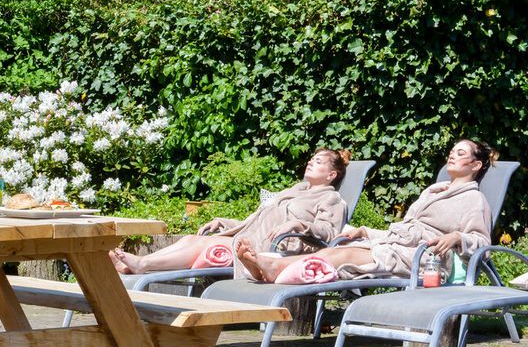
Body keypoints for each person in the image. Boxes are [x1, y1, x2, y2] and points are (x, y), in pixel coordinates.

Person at [236, 139, 495, 283]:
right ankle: (274, 268)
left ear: (476, 165)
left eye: (460, 153)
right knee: (340, 249)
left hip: (428, 259)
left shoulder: (474, 199)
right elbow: (404, 231)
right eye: (452, 151)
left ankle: (274, 266)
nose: (452, 155)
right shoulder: (432, 192)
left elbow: (483, 243)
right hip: (401, 247)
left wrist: (457, 237)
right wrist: (365, 231)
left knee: (344, 254)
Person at [110, 148, 351, 278]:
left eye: (318, 162)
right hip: (251, 236)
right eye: (312, 159)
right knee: (192, 238)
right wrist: (223, 222)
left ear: (331, 175)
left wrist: (298, 225)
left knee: (203, 245)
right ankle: (135, 266)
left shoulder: (331, 198)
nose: (310, 162)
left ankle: (143, 264)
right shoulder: (295, 190)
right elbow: (258, 220)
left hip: (273, 248)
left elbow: (329, 233)